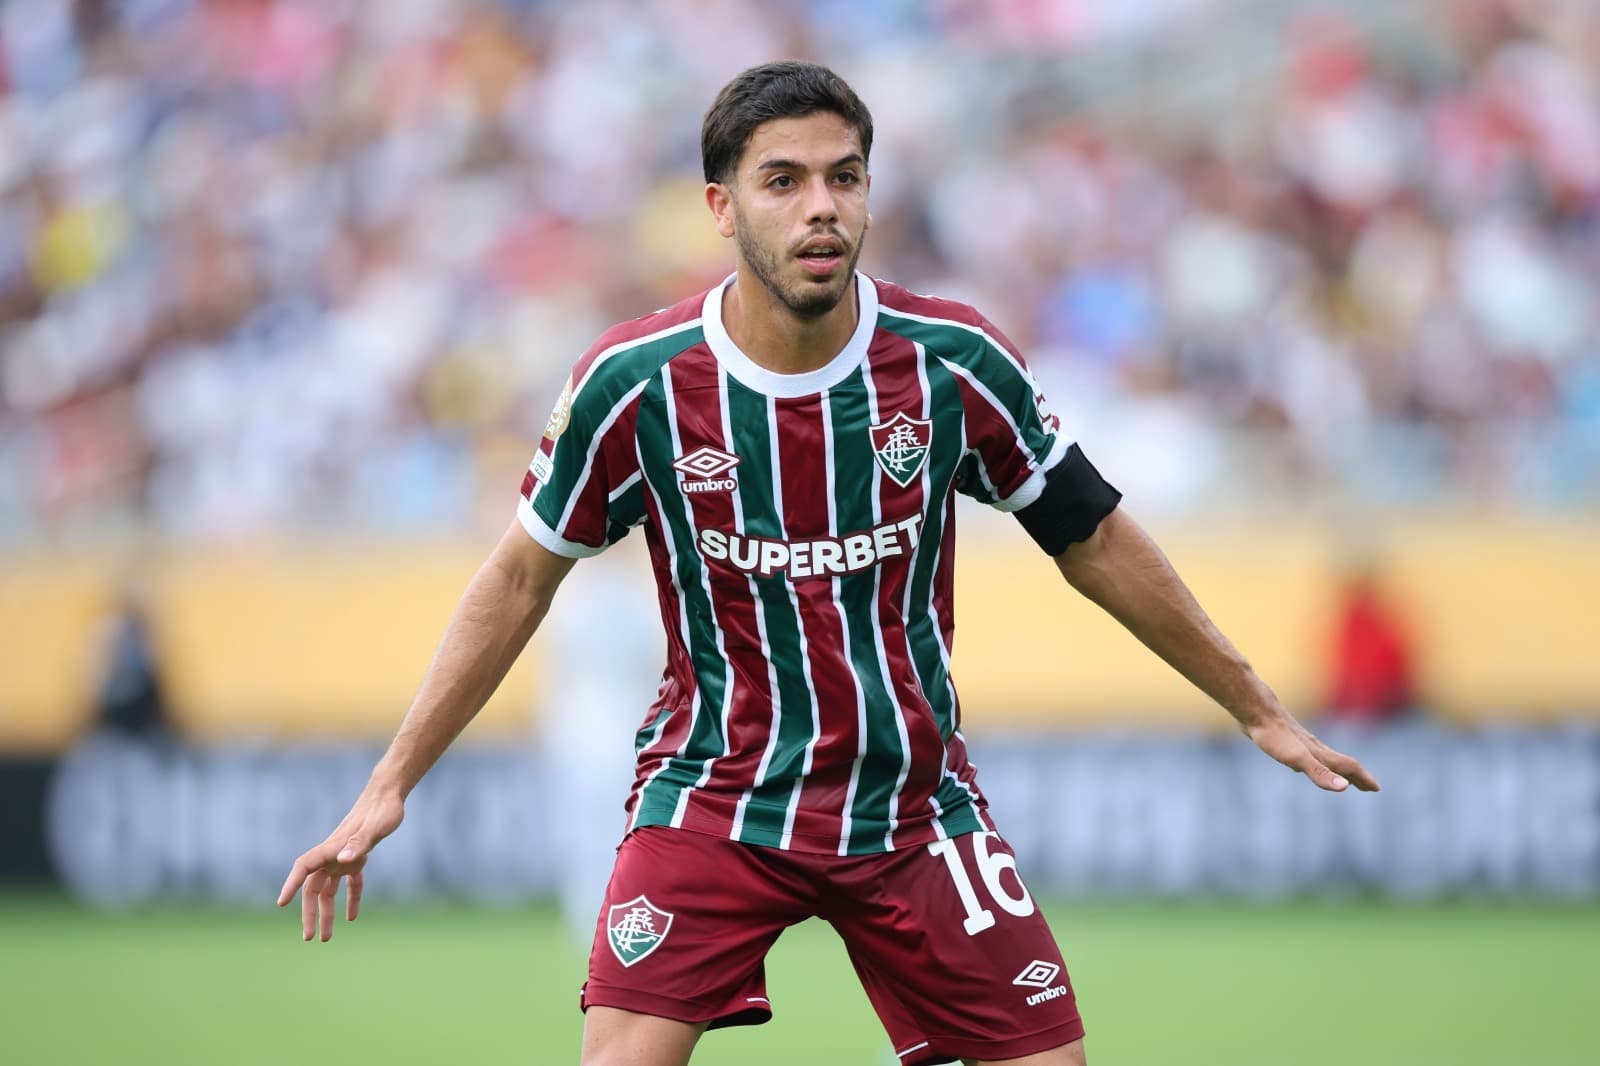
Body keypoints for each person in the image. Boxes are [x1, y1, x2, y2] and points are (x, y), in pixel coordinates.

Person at [277, 61, 1380, 1066]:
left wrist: (1253, 704)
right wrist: (388, 786)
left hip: (911, 804)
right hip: (714, 797)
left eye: (844, 177)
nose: (821, 206)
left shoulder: (952, 360)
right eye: (784, 180)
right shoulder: (637, 382)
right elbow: (520, 577)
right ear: (721, 207)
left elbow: (1092, 537)